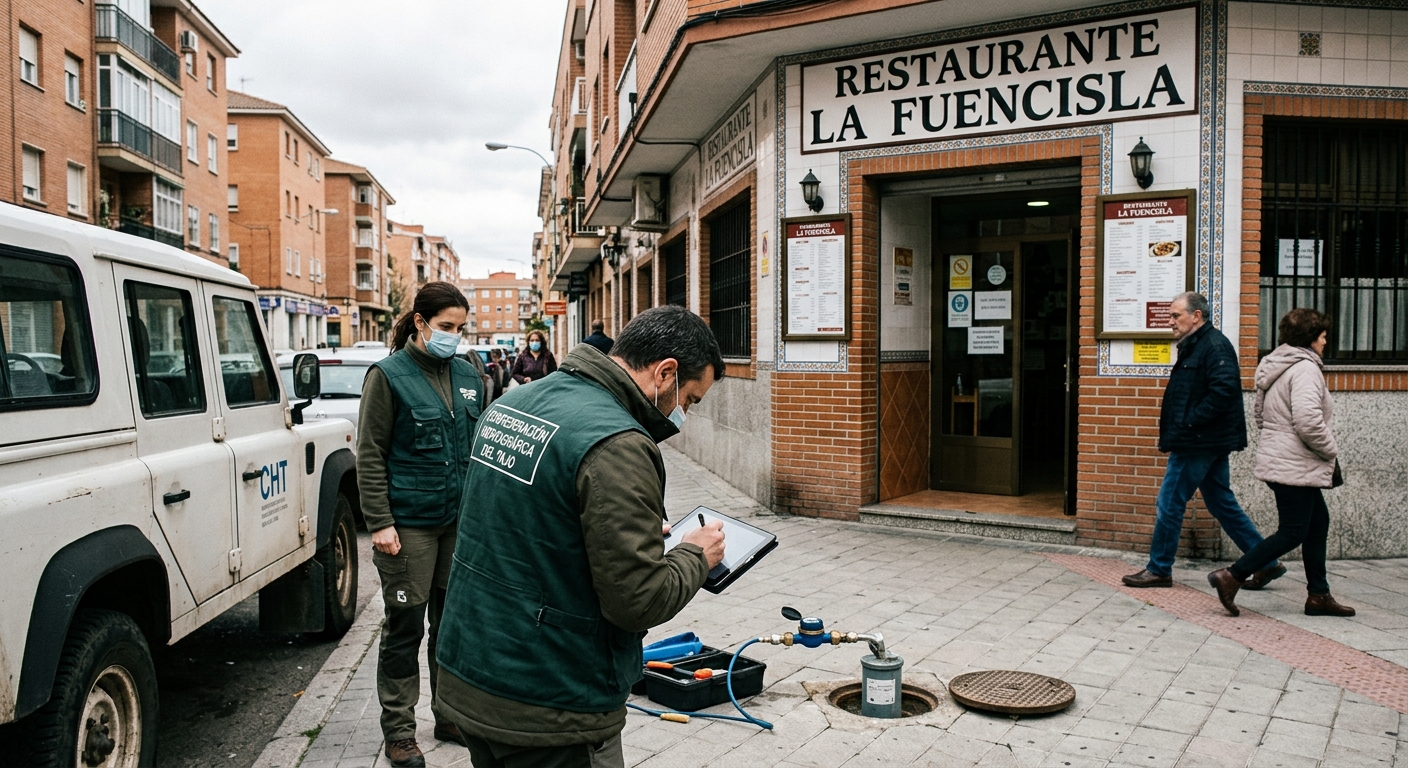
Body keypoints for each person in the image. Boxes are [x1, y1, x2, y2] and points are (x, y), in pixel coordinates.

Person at [434, 305, 727, 768]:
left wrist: (628, 529)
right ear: (665, 372)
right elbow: (638, 601)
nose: (683, 413)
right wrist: (695, 554)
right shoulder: (619, 443)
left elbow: (535, 522)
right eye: (689, 399)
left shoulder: (512, 405)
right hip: (551, 704)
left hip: (473, 673)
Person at [356, 281, 482, 768]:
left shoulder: (469, 375)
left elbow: (478, 448)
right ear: (420, 323)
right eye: (446, 327)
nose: (454, 336)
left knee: (451, 627)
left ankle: (449, 716)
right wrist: (380, 523)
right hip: (408, 525)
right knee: (405, 627)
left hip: (458, 523)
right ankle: (400, 732)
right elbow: (369, 455)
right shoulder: (388, 377)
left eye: (460, 328)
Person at [1122, 292, 1283, 590]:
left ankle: (1159, 569)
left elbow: (1223, 392)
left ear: (1196, 316)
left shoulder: (1214, 345)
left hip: (1198, 441)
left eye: (1175, 315)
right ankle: (1267, 562)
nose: (1170, 321)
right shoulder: (1197, 345)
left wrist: (1190, 421)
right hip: (1205, 440)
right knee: (1222, 503)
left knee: (1169, 502)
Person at [1208, 309, 1353, 618]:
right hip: (1296, 462)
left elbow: (1260, 415)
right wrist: (1331, 449)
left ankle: (1319, 595)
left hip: (1282, 457)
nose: (1326, 342)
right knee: (1293, 531)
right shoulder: (1304, 369)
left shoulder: (1276, 364)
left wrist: (1280, 438)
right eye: (1324, 336)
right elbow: (1308, 421)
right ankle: (1233, 575)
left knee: (1317, 525)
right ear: (1311, 338)